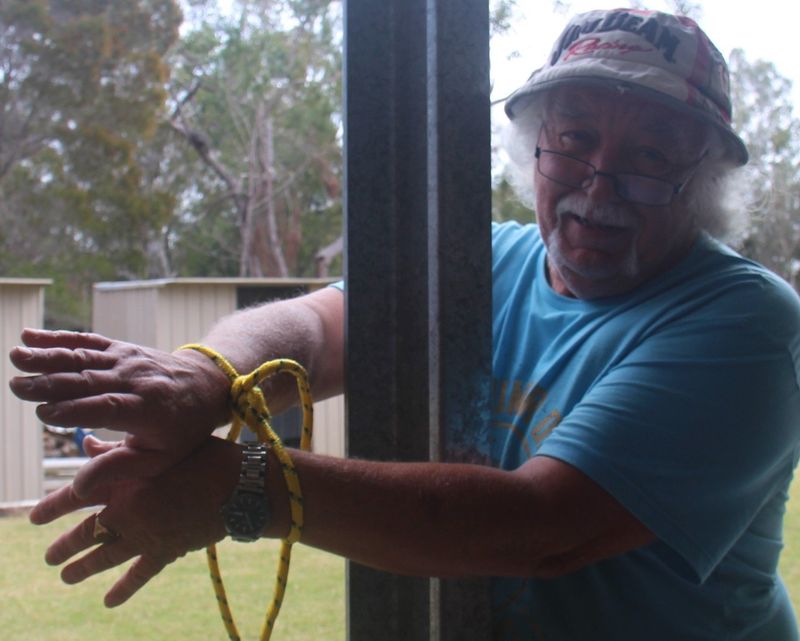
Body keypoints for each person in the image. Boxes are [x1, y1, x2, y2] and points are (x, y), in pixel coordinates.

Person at [9, 8, 800, 640]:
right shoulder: (485, 261)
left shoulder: (747, 325)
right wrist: (202, 378)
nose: (599, 186)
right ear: (534, 148)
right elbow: (319, 328)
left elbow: (541, 526)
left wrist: (238, 485)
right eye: (575, 140)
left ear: (706, 182)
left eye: (651, 158)